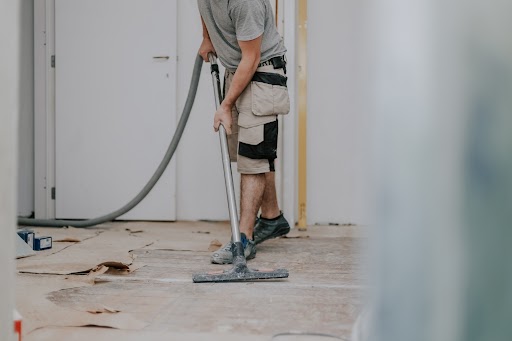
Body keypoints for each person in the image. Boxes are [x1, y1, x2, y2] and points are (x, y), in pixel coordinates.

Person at [197, 0, 291, 264]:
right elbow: (203, 8)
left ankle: (244, 239)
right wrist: (207, 38)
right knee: (251, 152)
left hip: (261, 72)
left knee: (253, 157)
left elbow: (251, 57)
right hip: (237, 70)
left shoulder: (244, 3)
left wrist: (225, 104)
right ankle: (272, 217)